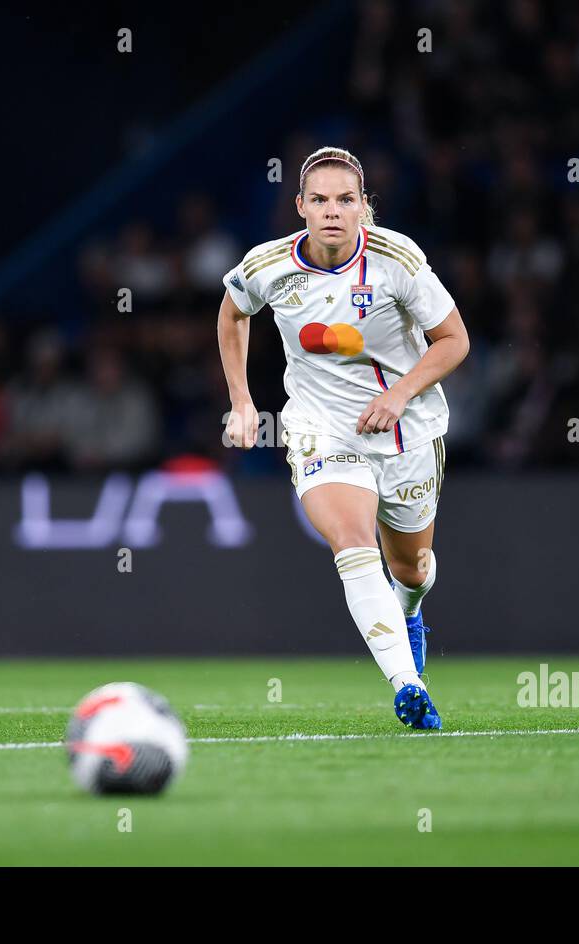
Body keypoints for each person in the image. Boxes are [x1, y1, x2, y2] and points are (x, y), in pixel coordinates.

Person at [218, 147, 469, 728]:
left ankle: (411, 612)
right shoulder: (267, 265)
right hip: (320, 426)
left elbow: (454, 341)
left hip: (409, 429)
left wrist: (399, 394)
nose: (333, 211)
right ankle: (407, 684)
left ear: (365, 208)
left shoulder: (396, 259)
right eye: (321, 200)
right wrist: (242, 400)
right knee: (353, 544)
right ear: (300, 206)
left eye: (346, 200)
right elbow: (233, 313)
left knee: (410, 566)